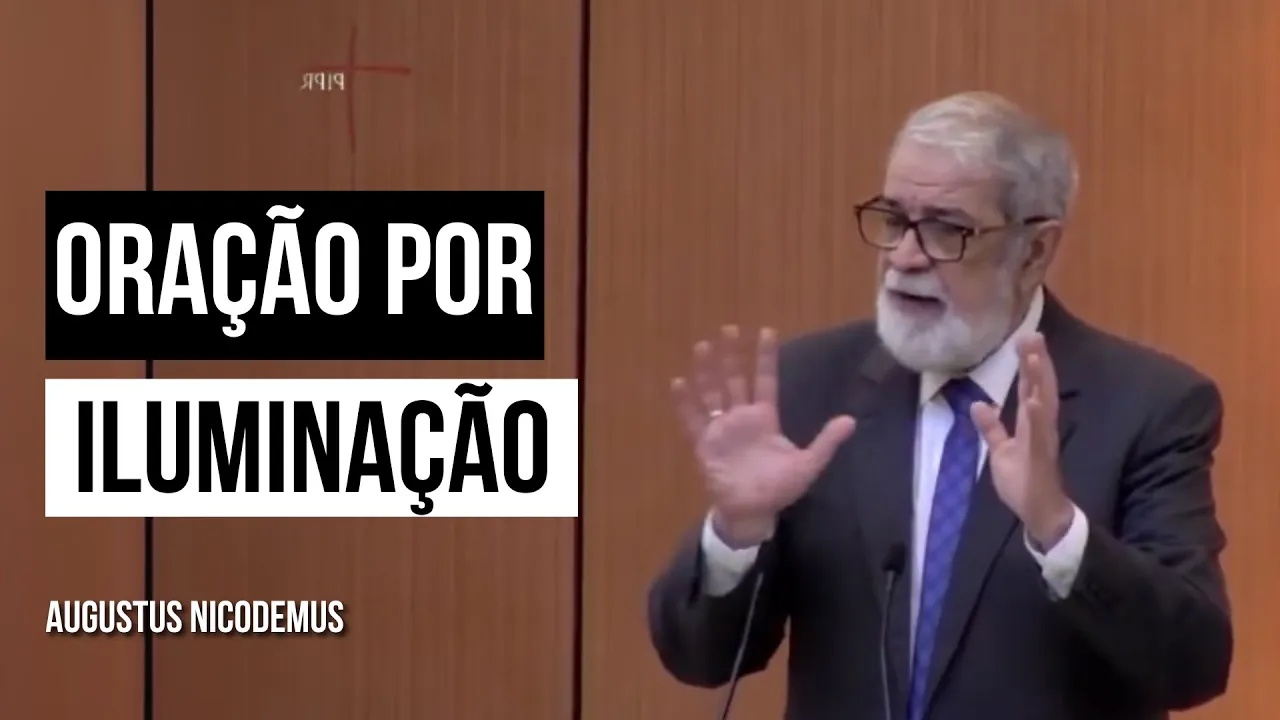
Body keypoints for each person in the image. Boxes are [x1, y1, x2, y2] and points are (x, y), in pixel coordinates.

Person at [647, 91, 1233, 720]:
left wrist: (1059, 531)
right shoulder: (811, 386)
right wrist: (738, 530)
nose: (904, 257)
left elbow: (1193, 665)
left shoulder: (1149, 407)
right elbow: (698, 657)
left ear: (1035, 250)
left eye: (947, 230)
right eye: (894, 219)